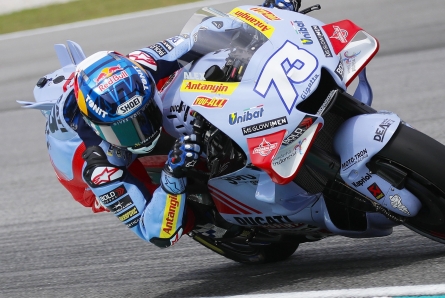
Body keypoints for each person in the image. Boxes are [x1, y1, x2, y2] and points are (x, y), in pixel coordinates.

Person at [36, 0, 302, 248]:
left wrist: (270, 14)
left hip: (114, 93)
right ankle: (212, 222)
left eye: (144, 117)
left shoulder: (143, 65)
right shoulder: (96, 167)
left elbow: (202, 35)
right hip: (76, 158)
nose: (141, 135)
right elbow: (156, 234)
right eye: (125, 130)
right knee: (176, 217)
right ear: (97, 127)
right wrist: (172, 176)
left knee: (203, 66)